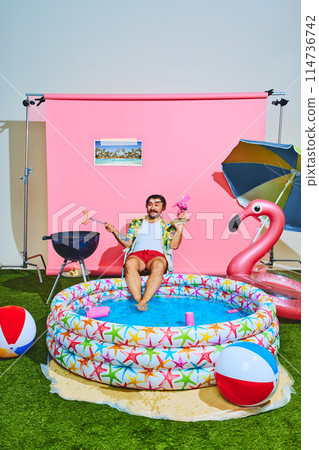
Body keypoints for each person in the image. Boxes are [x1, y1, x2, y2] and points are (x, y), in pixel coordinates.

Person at [104, 194, 187, 311]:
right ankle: (139, 302)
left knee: (158, 265)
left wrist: (181, 225)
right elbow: (128, 243)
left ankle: (144, 301)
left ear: (163, 208)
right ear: (146, 207)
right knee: (130, 263)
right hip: (137, 255)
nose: (153, 207)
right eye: (150, 204)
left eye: (157, 204)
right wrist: (114, 231)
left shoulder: (168, 226)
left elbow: (174, 245)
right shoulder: (136, 223)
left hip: (156, 256)